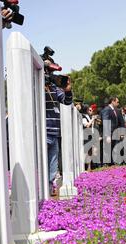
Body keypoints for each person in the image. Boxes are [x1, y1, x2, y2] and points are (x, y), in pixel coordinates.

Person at [44, 59, 73, 196]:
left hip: (54, 132)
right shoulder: (36, 85)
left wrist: (67, 91)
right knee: (42, 163)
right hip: (42, 132)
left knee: (53, 165)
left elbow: (67, 102)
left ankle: (50, 187)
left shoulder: (55, 88)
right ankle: (42, 188)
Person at [101, 97, 123, 165]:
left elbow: (120, 122)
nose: (118, 103)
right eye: (117, 102)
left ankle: (114, 165)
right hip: (109, 134)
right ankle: (107, 166)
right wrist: (107, 135)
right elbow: (106, 122)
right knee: (108, 151)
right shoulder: (107, 110)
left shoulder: (116, 110)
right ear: (113, 101)